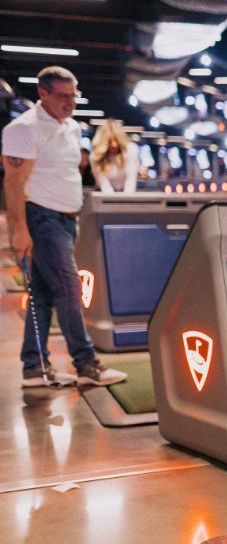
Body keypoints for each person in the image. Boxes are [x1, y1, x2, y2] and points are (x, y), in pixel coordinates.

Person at [1, 66, 128, 398]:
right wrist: (19, 229)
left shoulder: (72, 127)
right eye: (63, 96)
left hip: (66, 220)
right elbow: (13, 183)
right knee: (70, 289)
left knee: (43, 295)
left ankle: (34, 367)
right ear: (42, 93)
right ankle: (86, 363)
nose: (70, 102)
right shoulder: (24, 128)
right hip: (41, 218)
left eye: (74, 95)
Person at [89, 119, 139, 193]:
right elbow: (104, 185)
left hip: (126, 192)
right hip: (104, 193)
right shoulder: (95, 156)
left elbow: (131, 180)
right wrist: (111, 199)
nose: (114, 144)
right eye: (109, 141)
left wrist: (127, 198)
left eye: (116, 140)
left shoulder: (131, 150)